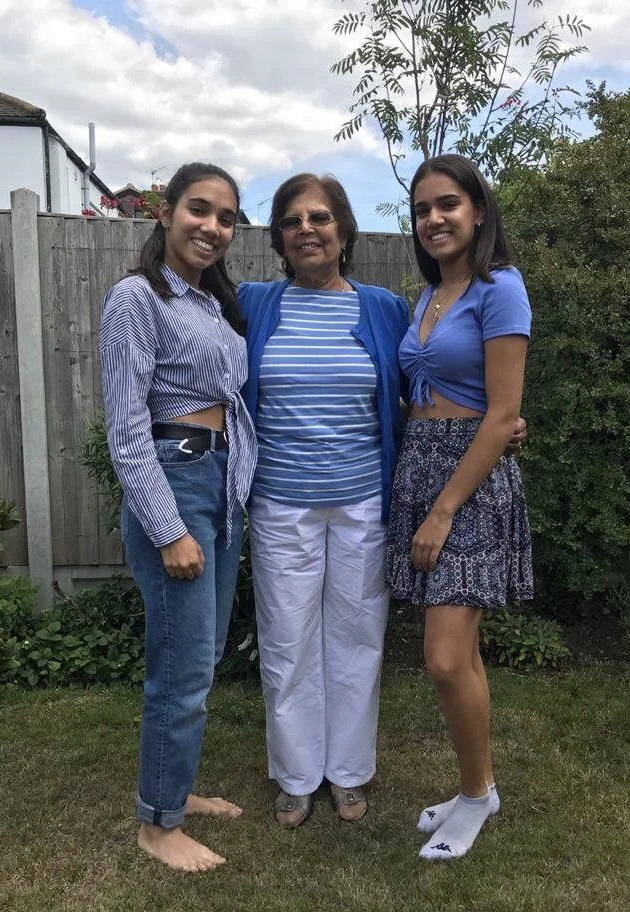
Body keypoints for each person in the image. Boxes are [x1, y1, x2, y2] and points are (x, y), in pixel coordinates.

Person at [100, 162, 258, 872]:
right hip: (177, 482)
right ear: (165, 213)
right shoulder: (136, 298)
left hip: (220, 485)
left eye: (226, 218)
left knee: (203, 654)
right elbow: (128, 430)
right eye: (200, 209)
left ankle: (175, 789)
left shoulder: (213, 306)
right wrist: (169, 529)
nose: (212, 227)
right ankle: (157, 827)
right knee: (182, 667)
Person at [238, 174, 409, 827]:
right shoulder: (254, 304)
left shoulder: (383, 308)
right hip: (280, 505)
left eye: (319, 217)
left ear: (343, 230)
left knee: (357, 638)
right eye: (292, 220)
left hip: (362, 504)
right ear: (279, 237)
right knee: (288, 641)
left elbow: (427, 382)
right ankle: (296, 774)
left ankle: (349, 772)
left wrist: (496, 419)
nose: (306, 229)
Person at [385, 154, 534, 861]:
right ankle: (480, 787)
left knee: (444, 659)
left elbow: (503, 414)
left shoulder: (500, 288)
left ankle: (475, 796)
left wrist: (443, 509)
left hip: (466, 486)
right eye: (422, 210)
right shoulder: (427, 297)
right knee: (460, 653)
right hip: (420, 469)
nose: (434, 218)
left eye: (447, 204)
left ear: (477, 210)